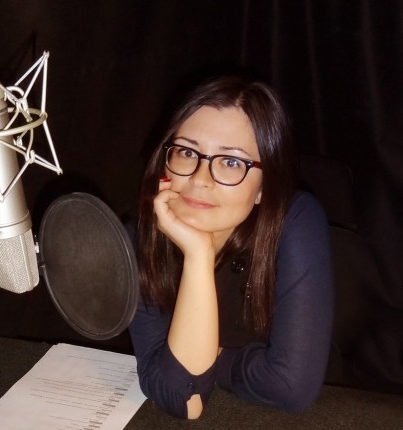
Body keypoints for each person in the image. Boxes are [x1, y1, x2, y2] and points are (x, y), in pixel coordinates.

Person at [128, 75, 334, 419]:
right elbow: (184, 401)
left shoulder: (296, 219)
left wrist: (211, 358)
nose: (200, 179)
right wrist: (198, 256)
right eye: (187, 152)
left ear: (264, 187)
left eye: (231, 162)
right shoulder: (139, 241)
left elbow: (291, 387)